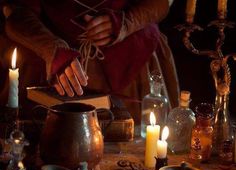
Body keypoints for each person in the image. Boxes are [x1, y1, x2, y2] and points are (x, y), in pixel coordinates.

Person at [1, 0, 179, 123]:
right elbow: (17, 11)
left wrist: (127, 22)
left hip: (132, 56)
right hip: (46, 57)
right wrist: (52, 48)